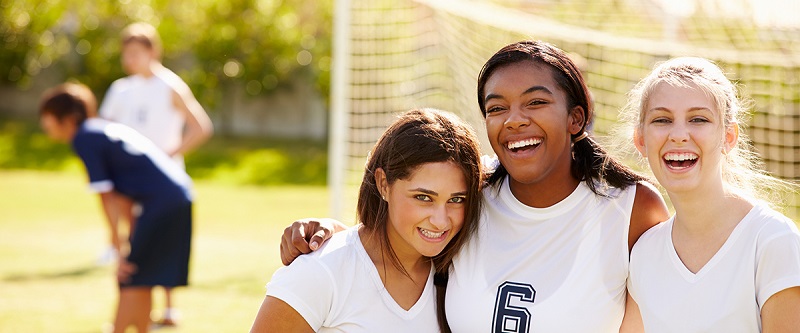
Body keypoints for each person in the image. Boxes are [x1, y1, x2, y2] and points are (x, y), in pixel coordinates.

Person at [279, 40, 670, 332]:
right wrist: (330, 235)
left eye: (535, 103)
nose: (514, 120)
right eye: (497, 108)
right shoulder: (473, 191)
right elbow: (405, 230)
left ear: (576, 118)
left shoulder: (631, 207)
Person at [250, 108, 484, 332]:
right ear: (383, 183)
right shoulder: (321, 272)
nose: (441, 221)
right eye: (423, 197)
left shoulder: (459, 276)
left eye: (456, 199)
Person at [619, 57, 800, 332]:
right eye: (662, 119)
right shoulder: (644, 254)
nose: (679, 134)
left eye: (698, 119)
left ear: (729, 137)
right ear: (640, 140)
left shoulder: (772, 241)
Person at [39, 83, 193, 333]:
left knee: (129, 275)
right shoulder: (97, 130)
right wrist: (128, 238)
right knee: (141, 276)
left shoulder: (84, 138)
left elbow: (106, 196)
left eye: (46, 117)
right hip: (175, 196)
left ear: (66, 118)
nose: (43, 124)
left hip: (162, 201)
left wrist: (117, 246)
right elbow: (125, 195)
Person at [97, 22, 213, 325]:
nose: (131, 59)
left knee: (164, 242)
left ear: (153, 51)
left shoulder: (170, 85)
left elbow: (201, 127)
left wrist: (165, 156)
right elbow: (105, 131)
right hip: (130, 185)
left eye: (137, 52)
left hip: (165, 185)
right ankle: (133, 310)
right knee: (133, 241)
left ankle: (169, 308)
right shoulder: (121, 89)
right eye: (127, 53)